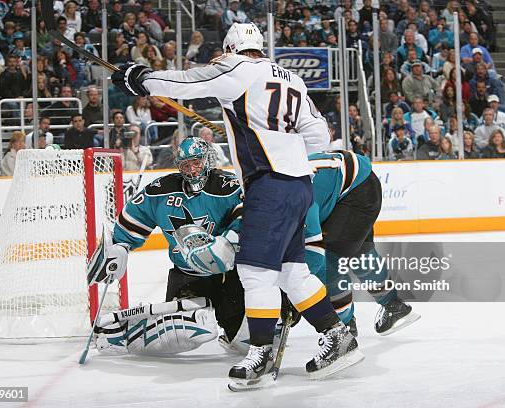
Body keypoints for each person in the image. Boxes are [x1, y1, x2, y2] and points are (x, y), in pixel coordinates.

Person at [110, 22, 360, 389]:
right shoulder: (289, 77)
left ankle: (259, 353)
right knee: (292, 272)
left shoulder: (235, 68)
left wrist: (141, 78)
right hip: (299, 185)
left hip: (268, 186)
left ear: (230, 48)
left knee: (255, 272)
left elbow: (188, 82)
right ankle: (338, 336)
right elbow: (318, 134)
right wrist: (281, 145)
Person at [91, 136, 247, 357]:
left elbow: (250, 215)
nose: (192, 170)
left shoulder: (227, 186)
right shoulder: (161, 190)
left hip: (229, 276)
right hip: (187, 277)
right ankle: (131, 334)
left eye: (196, 163)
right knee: (188, 330)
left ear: (207, 161)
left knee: (246, 343)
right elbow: (134, 216)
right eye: (186, 165)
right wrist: (120, 246)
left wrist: (229, 241)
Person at [305, 149, 420, 336]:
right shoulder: (285, 188)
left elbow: (312, 255)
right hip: (354, 183)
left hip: (356, 191)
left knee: (331, 260)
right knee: (360, 252)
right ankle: (394, 305)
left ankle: (345, 328)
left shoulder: (296, 200)